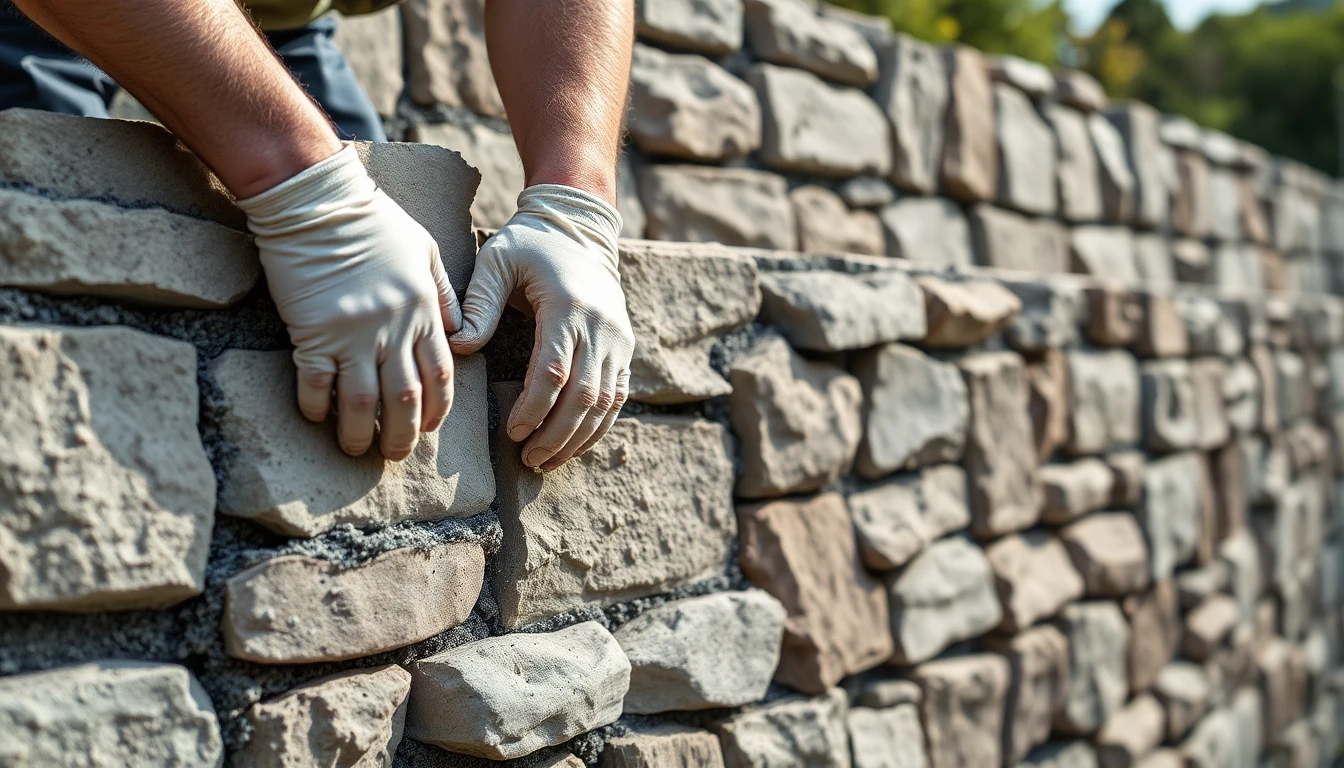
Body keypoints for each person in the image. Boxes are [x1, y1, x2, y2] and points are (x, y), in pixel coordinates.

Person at [4, 0, 636, 472]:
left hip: (280, 18)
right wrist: (302, 186)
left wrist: (574, 203)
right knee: (46, 217)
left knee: (395, 221)